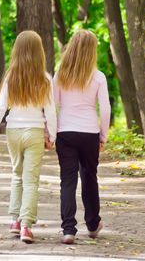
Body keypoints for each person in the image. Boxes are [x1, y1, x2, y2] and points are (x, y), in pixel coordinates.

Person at [0, 30, 56, 244]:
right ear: (39, 52)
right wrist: (53, 136)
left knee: (17, 175)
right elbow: (50, 111)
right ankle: (26, 226)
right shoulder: (45, 79)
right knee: (31, 180)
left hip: (13, 132)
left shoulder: (11, 77)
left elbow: (0, 107)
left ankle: (14, 221)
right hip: (34, 132)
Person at [54, 30, 111, 244]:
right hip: (89, 133)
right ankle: (93, 224)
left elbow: (53, 104)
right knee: (89, 178)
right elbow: (105, 109)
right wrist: (103, 136)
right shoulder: (98, 77)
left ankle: (68, 229)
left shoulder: (61, 73)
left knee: (68, 180)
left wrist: (51, 132)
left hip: (65, 132)